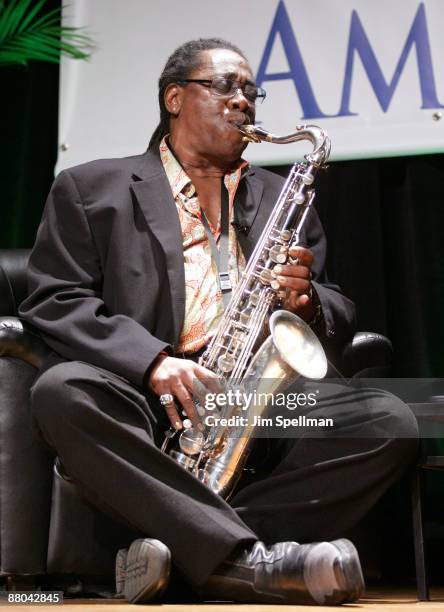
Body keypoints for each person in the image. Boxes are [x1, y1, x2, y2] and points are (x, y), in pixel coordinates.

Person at [19, 38, 418, 605]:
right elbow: (54, 299)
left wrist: (305, 302)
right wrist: (154, 363)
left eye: (251, 92)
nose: (243, 102)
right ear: (175, 98)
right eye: (224, 87)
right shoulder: (91, 188)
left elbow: (336, 304)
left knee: (391, 419)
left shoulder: (281, 195)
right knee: (63, 392)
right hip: (146, 398)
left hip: (256, 403)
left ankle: (188, 552)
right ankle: (248, 563)